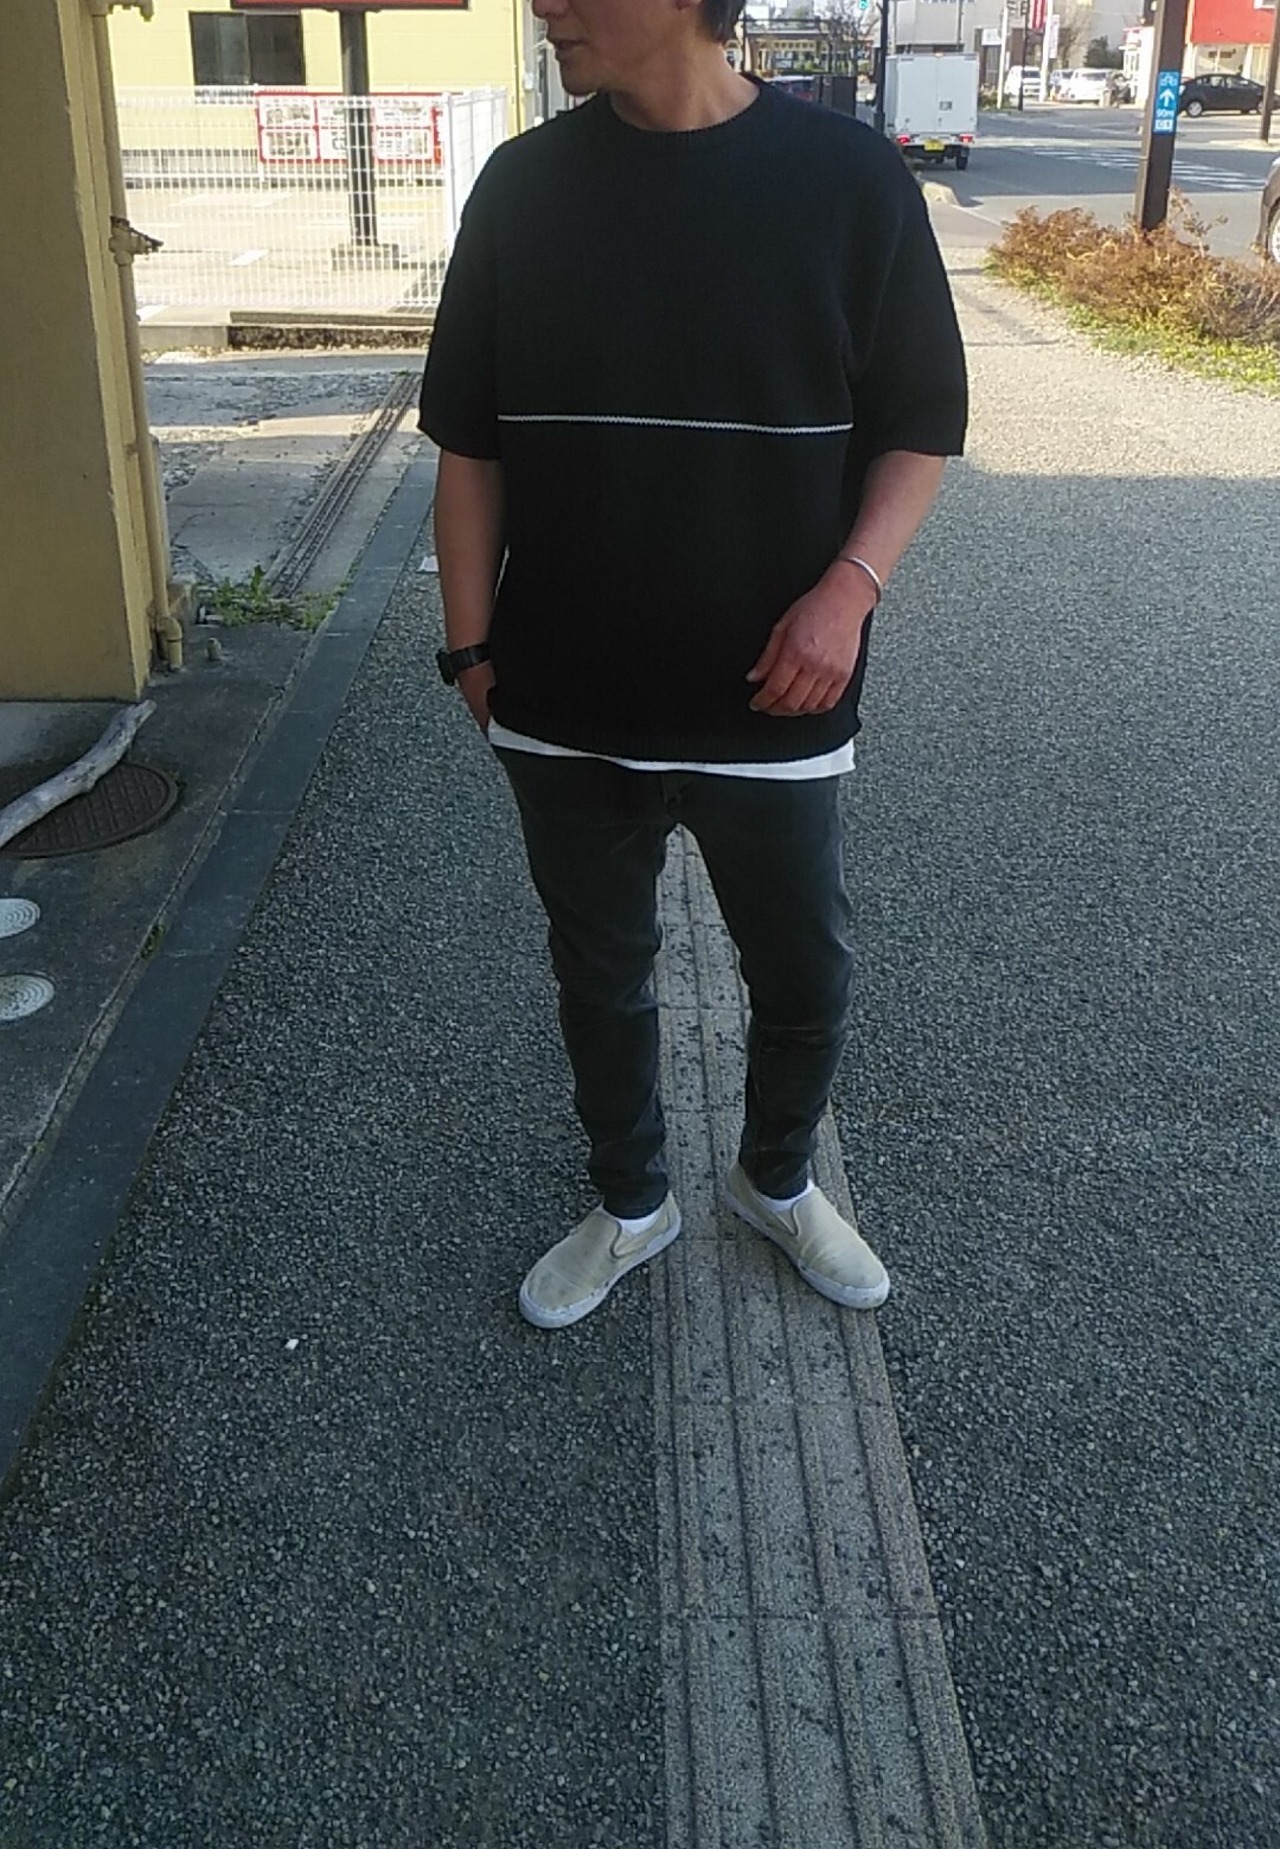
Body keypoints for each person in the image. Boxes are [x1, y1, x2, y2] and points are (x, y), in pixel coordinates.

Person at [418, 0, 968, 1330]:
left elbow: (920, 425)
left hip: (777, 698)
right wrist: (472, 651)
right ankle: (630, 1201)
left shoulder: (849, 183)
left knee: (805, 976)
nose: (545, 7)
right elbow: (470, 449)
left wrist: (849, 590)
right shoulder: (522, 190)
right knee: (598, 975)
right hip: (564, 699)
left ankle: (776, 1180)